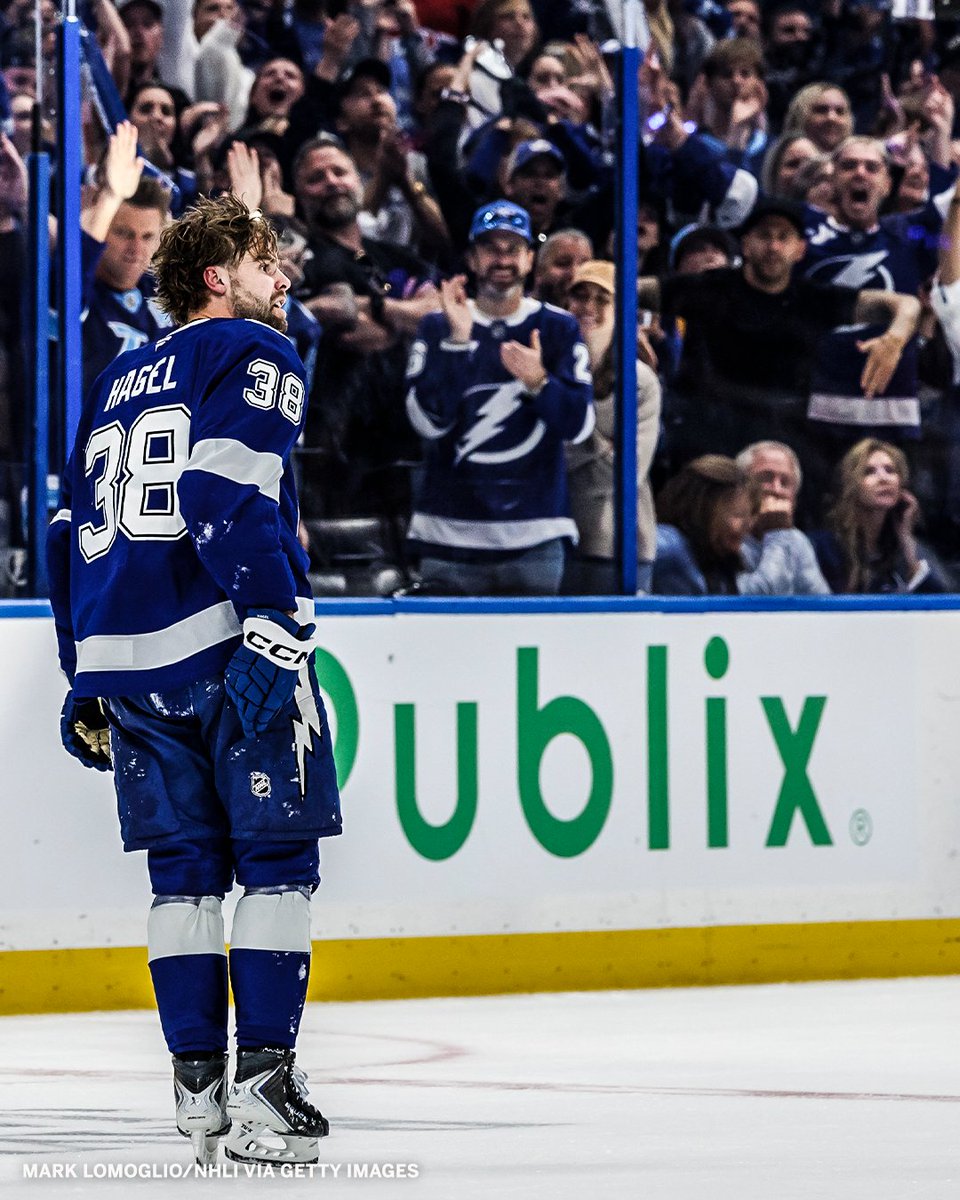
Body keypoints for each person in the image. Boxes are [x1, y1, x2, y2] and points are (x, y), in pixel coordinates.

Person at [46, 193, 341, 1166]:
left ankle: (197, 1095)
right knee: (277, 862)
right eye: (267, 262)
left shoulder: (118, 376)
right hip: (220, 636)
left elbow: (64, 534)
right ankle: (264, 1091)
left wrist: (81, 672)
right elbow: (222, 490)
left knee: (181, 879)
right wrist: (272, 618)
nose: (285, 278)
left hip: (123, 659)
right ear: (218, 277)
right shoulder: (253, 352)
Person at [405, 199, 594, 595]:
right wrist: (458, 344)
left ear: (529, 260)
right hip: (448, 534)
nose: (502, 258)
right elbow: (427, 422)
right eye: (491, 247)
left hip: (536, 535)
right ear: (472, 259)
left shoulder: (557, 328)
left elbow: (577, 425)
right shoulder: (438, 326)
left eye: (513, 248)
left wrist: (540, 382)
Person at [563, 259, 661, 593]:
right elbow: (542, 461)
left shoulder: (639, 382)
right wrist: (602, 447)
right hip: (557, 541)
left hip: (619, 545)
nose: (588, 307)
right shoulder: (544, 371)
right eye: (580, 297)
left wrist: (575, 440)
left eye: (602, 299)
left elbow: (623, 475)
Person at [810, 439, 952, 593]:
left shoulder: (901, 547)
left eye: (890, 470)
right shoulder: (824, 547)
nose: (884, 479)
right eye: (869, 472)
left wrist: (906, 539)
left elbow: (938, 606)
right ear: (852, 486)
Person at [735, 440, 831, 594]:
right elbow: (763, 602)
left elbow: (821, 605)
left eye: (785, 482)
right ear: (740, 487)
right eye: (765, 478)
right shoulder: (729, 536)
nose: (776, 489)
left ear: (794, 499)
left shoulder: (796, 540)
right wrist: (777, 532)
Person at [651, 455, 752, 596]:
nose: (748, 526)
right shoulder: (668, 546)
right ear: (703, 511)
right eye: (738, 515)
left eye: (749, 515)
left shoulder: (719, 562)